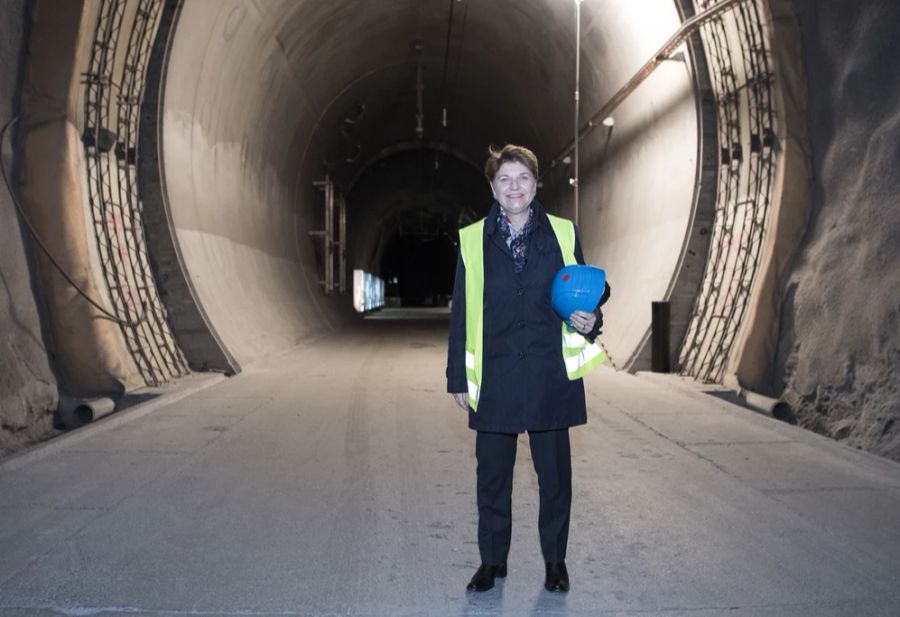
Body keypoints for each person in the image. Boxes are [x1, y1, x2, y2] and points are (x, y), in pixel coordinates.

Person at [446, 144, 610, 593]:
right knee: (492, 479)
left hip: (547, 376)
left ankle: (555, 562)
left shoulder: (562, 231)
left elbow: (588, 286)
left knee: (555, 480)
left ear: (536, 184)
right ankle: (492, 563)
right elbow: (462, 311)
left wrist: (591, 319)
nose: (514, 188)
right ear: (493, 188)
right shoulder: (472, 239)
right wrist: (457, 377)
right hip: (497, 376)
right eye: (505, 180)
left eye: (522, 179)